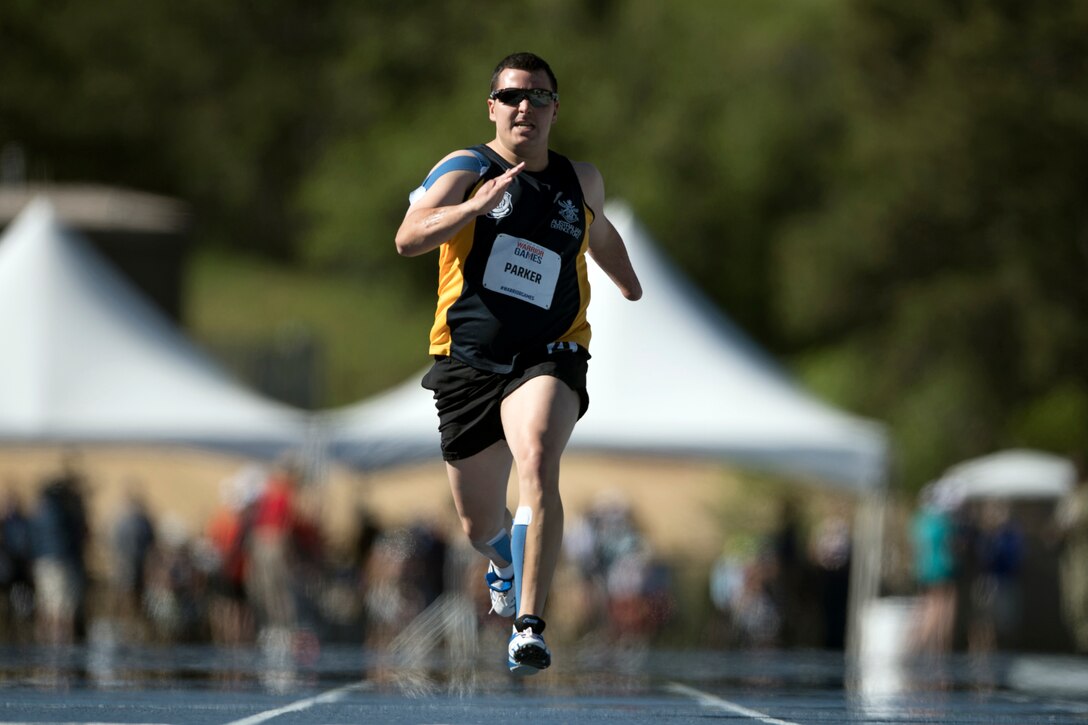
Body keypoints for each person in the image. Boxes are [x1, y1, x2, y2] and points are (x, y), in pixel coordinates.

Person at [394, 51, 642, 674]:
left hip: (551, 352)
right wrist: (474, 209)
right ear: (492, 107)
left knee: (536, 455)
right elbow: (409, 236)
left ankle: (528, 624)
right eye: (511, 96)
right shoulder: (465, 166)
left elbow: (601, 234)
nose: (523, 106)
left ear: (556, 108)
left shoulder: (579, 180)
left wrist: (630, 284)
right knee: (478, 522)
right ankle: (502, 558)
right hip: (468, 362)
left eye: (537, 96)